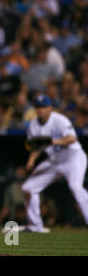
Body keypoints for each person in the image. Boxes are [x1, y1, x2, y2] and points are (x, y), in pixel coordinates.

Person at [21, 95, 88, 233]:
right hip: (55, 161)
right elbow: (36, 146)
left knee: (75, 187)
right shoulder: (33, 125)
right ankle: (35, 225)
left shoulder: (59, 120)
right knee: (28, 188)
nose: (41, 110)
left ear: (50, 108)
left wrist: (53, 141)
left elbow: (72, 138)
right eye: (38, 107)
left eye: (44, 107)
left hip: (73, 157)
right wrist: (31, 160)